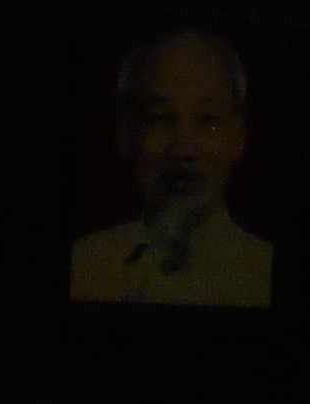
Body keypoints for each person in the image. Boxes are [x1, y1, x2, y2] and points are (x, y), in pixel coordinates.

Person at [68, 27, 274, 309]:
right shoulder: (85, 267)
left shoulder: (264, 276)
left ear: (239, 137)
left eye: (208, 120)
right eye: (160, 118)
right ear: (125, 136)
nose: (183, 150)